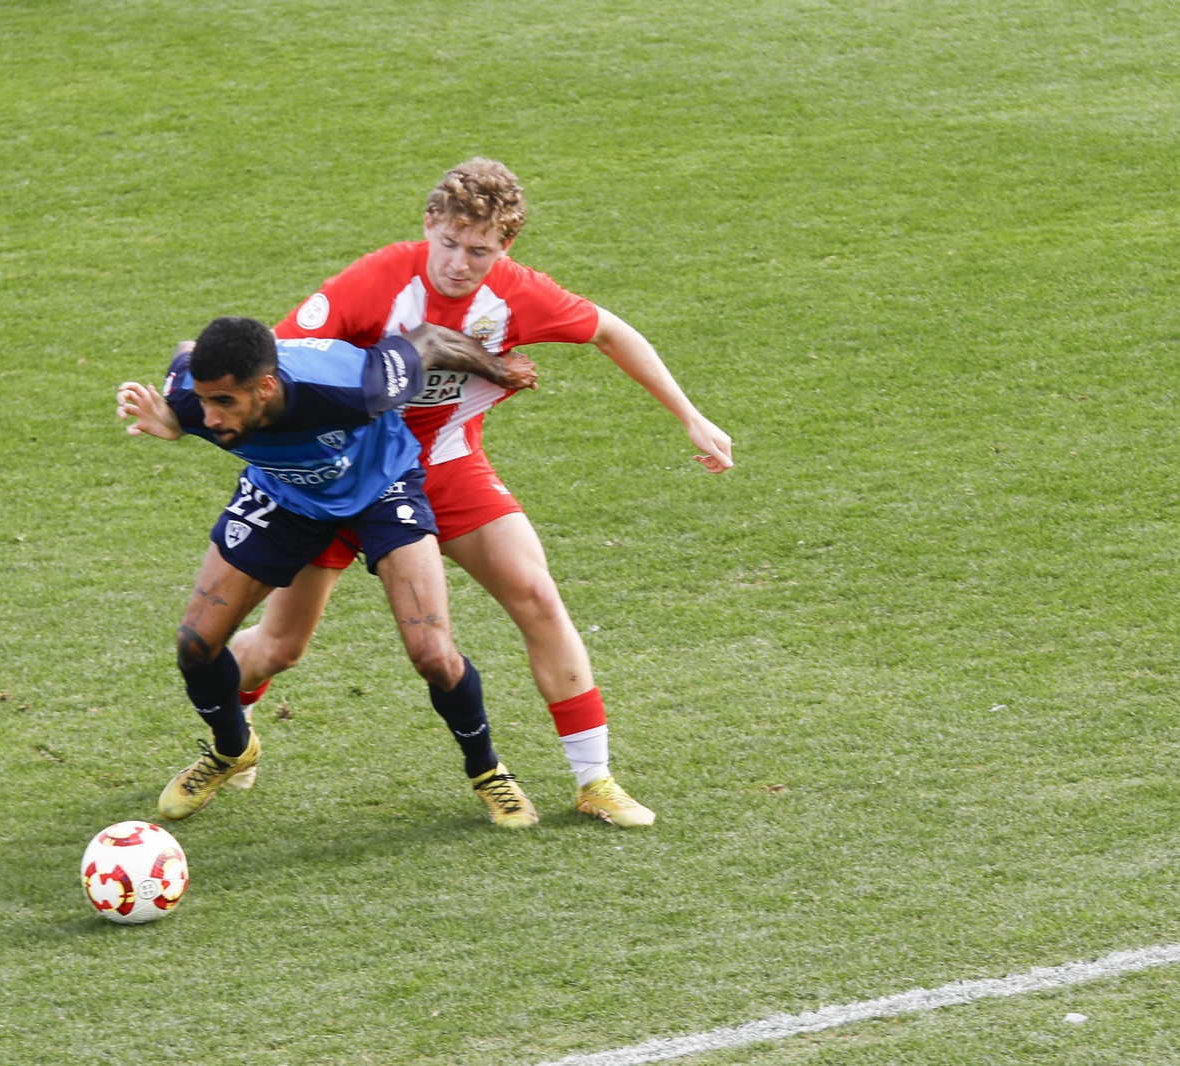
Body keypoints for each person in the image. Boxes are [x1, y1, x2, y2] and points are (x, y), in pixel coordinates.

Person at [227, 159, 735, 828]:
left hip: (446, 467)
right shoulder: (375, 280)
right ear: (428, 225)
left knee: (536, 594)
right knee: (279, 647)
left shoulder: (519, 294)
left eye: (481, 251)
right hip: (344, 478)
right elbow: (279, 362)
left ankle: (595, 780)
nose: (461, 264)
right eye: (450, 244)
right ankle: (231, 740)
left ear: (505, 248)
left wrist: (689, 415)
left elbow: (612, 331)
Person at [116, 316, 543, 827]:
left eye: (224, 403)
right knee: (195, 645)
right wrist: (173, 420)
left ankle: (487, 770)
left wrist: (497, 367)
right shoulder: (193, 394)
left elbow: (428, 340)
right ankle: (233, 750)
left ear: (267, 387)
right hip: (285, 494)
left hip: (380, 487)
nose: (209, 418)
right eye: (203, 402)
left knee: (432, 654)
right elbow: (186, 350)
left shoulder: (353, 384)